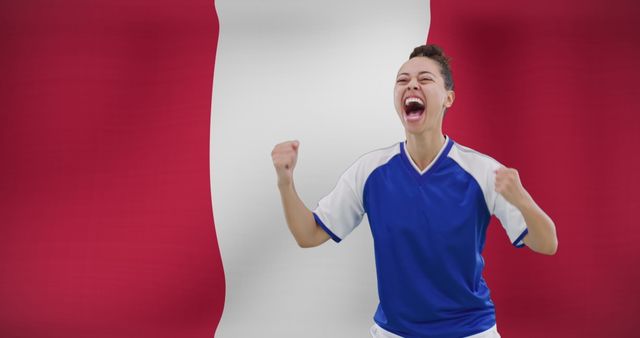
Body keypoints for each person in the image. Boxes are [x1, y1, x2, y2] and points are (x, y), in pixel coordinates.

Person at [270, 44, 558, 338]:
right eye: (402, 80)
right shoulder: (370, 171)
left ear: (449, 98)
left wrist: (522, 199)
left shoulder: (482, 171)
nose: (412, 85)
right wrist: (285, 182)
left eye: (425, 79)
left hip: (470, 331)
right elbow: (308, 235)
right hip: (394, 332)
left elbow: (547, 243)